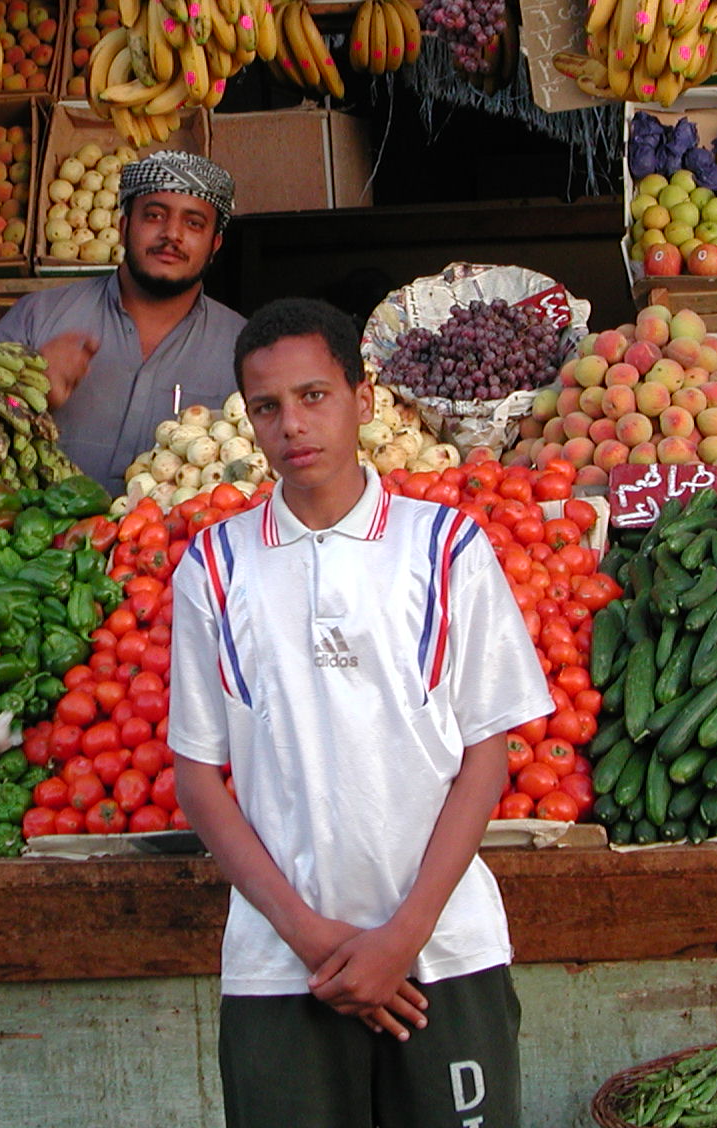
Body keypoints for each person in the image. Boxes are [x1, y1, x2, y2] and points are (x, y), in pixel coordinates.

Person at [168, 298, 550, 1128]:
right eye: (266, 407)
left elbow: (487, 754)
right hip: (281, 966)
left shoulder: (446, 547)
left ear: (364, 399)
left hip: (446, 954)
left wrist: (402, 938)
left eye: (315, 396)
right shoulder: (214, 564)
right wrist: (312, 938)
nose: (292, 426)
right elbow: (197, 777)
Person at [0, 151, 244, 492]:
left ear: (215, 244)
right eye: (154, 216)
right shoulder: (39, 318)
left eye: (193, 223)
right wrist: (24, 391)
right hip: (31, 539)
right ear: (123, 227)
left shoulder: (243, 347)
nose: (172, 234)